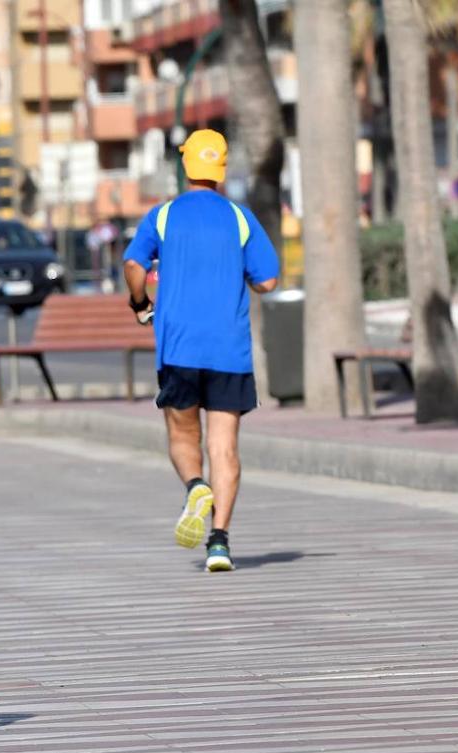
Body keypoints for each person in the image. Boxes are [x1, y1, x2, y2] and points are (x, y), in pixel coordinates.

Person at [122, 129, 280, 572]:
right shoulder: (240, 217)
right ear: (221, 167)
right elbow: (267, 280)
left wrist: (140, 301)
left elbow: (133, 265)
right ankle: (220, 542)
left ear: (184, 163)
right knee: (224, 447)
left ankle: (195, 485)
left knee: (181, 436)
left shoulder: (164, 216)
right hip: (229, 350)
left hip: (179, 348)